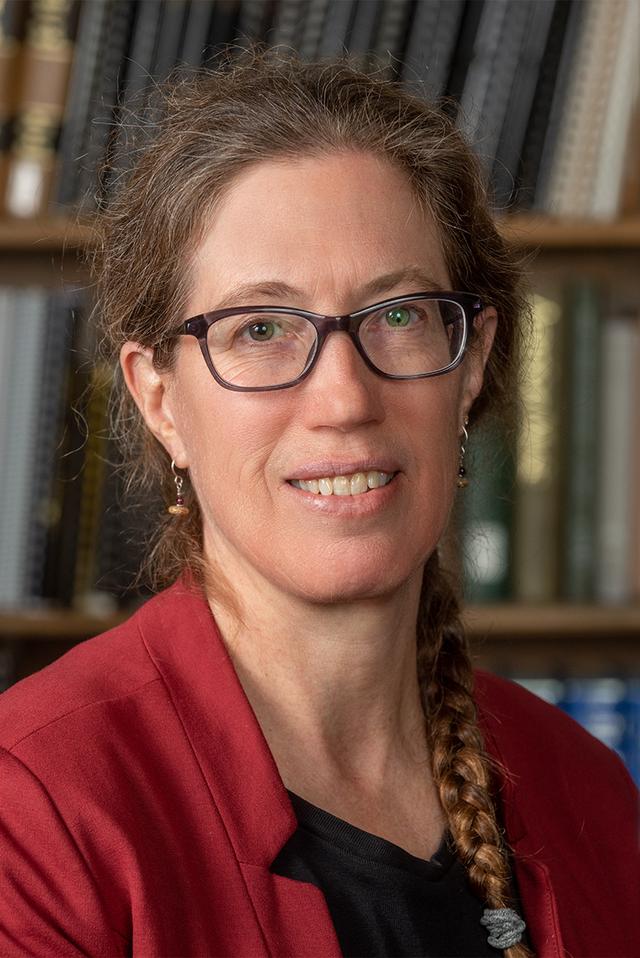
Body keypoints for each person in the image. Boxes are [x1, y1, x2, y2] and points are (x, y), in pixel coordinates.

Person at [0, 46, 637, 958]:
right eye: (260, 328)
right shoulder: (32, 810)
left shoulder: (590, 795)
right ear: (160, 398)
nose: (344, 399)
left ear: (473, 364)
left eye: (400, 315)